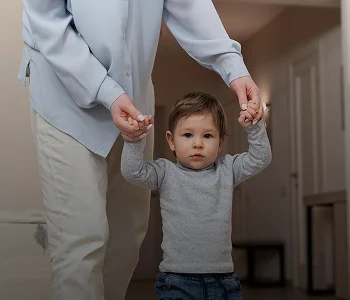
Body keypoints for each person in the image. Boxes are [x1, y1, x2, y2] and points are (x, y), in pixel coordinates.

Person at [18, 1, 263, 299]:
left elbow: (189, 5)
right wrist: (106, 91)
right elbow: (46, 21)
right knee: (80, 240)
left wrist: (233, 67)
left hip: (133, 103)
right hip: (64, 100)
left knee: (126, 239)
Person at [121, 92, 272, 300]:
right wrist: (134, 140)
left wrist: (255, 128)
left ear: (220, 143)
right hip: (178, 280)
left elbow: (260, 158)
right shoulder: (165, 173)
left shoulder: (227, 169)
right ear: (171, 141)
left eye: (208, 136)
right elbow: (132, 171)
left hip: (223, 279)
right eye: (188, 135)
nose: (198, 144)